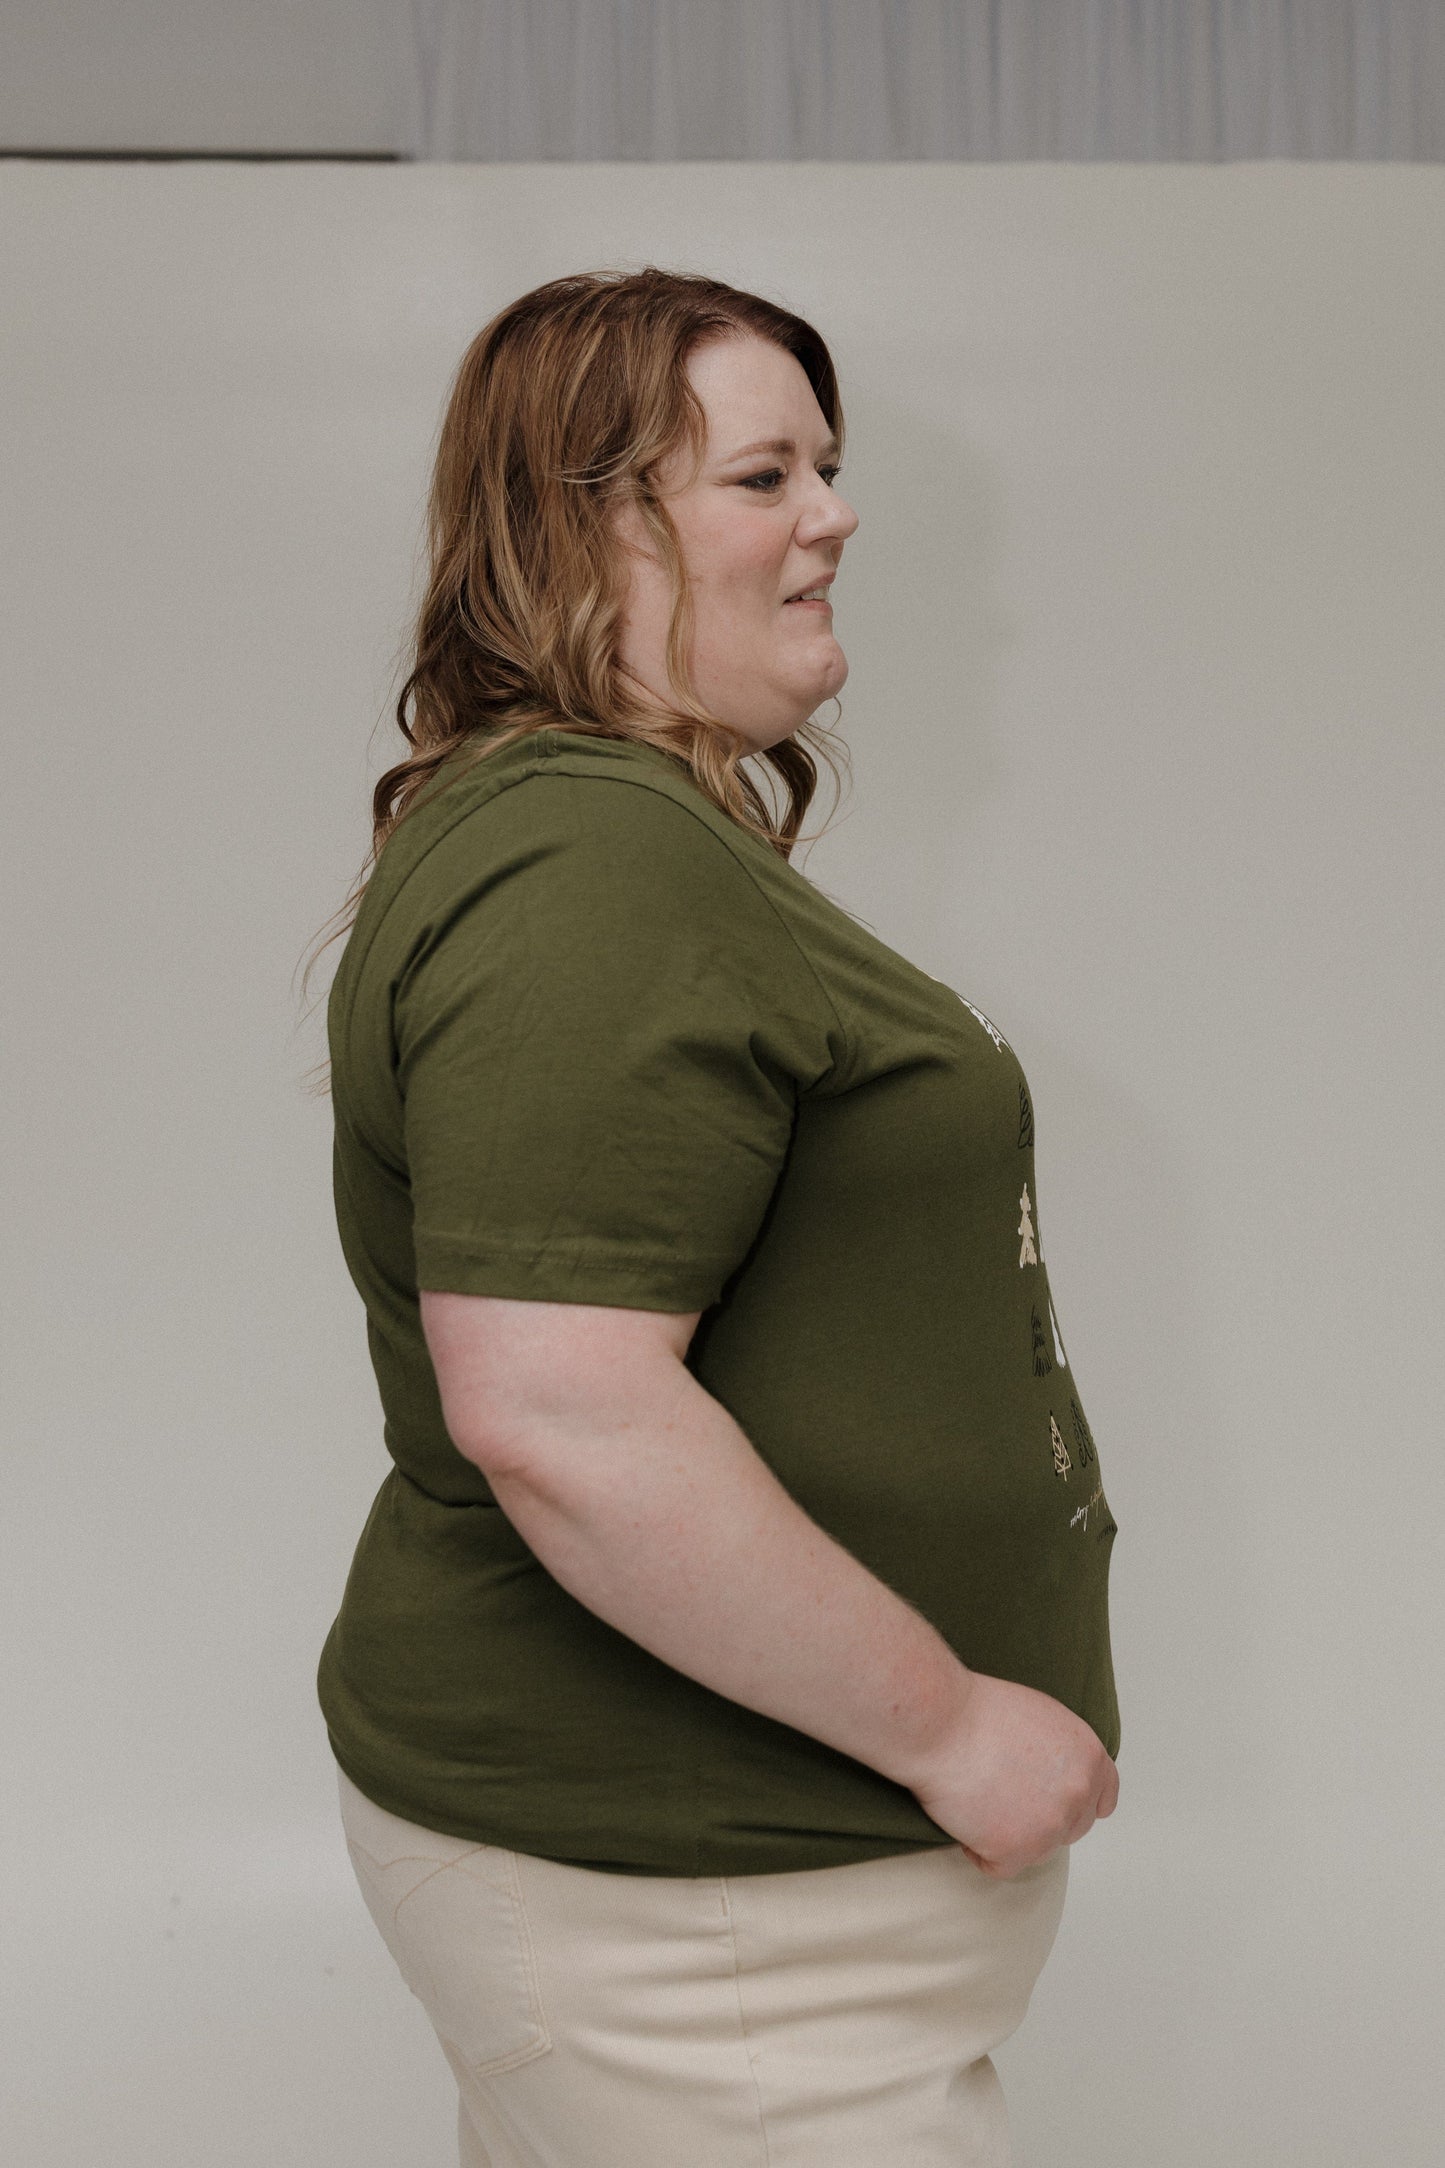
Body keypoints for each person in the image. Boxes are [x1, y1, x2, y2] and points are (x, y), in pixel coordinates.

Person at [304, 266, 1121, 2168]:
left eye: (822, 467)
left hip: (707, 1917)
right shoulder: (589, 865)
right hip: (697, 1924)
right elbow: (563, 1413)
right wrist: (943, 1728)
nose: (833, 514)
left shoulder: (610, 836)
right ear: (588, 528)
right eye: (765, 476)